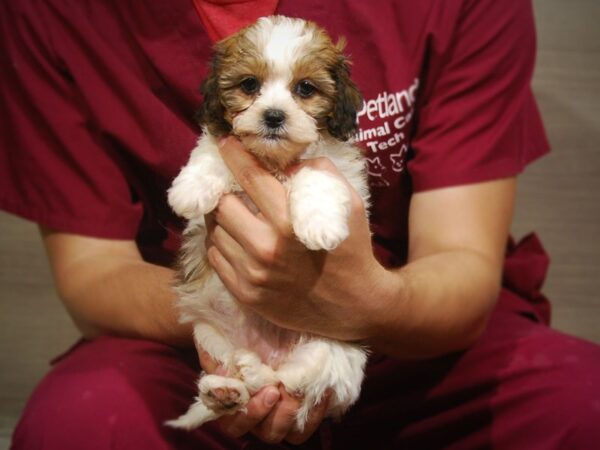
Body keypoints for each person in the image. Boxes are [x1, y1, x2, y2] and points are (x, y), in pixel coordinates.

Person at [1, 0, 599, 448]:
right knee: (78, 425)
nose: (276, 105)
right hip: (183, 336)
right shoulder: (49, 14)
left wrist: (355, 304)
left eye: (304, 90)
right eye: (252, 86)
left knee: (584, 403)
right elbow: (93, 274)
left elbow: (461, 267)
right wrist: (235, 319)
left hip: (411, 329)